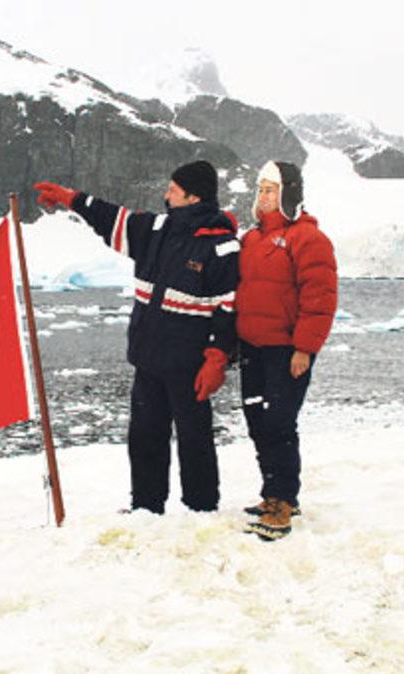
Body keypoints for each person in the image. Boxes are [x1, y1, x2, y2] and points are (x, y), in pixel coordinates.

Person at [33, 161, 239, 514]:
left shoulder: (221, 248)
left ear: (193, 196)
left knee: (194, 441)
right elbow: (112, 217)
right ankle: (146, 507)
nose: (165, 195)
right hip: (148, 360)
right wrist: (71, 199)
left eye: (173, 190)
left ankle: (201, 510)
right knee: (145, 437)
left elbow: (230, 309)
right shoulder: (157, 229)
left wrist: (217, 358)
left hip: (190, 366)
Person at [236, 160, 337, 540]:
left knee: (279, 423)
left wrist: (305, 348)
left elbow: (320, 299)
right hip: (252, 348)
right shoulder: (251, 239)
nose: (263, 196)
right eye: (260, 189)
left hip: (286, 350)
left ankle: (282, 499)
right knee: (257, 422)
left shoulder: (309, 240)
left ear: (289, 193)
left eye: (271, 189)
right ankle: (273, 495)